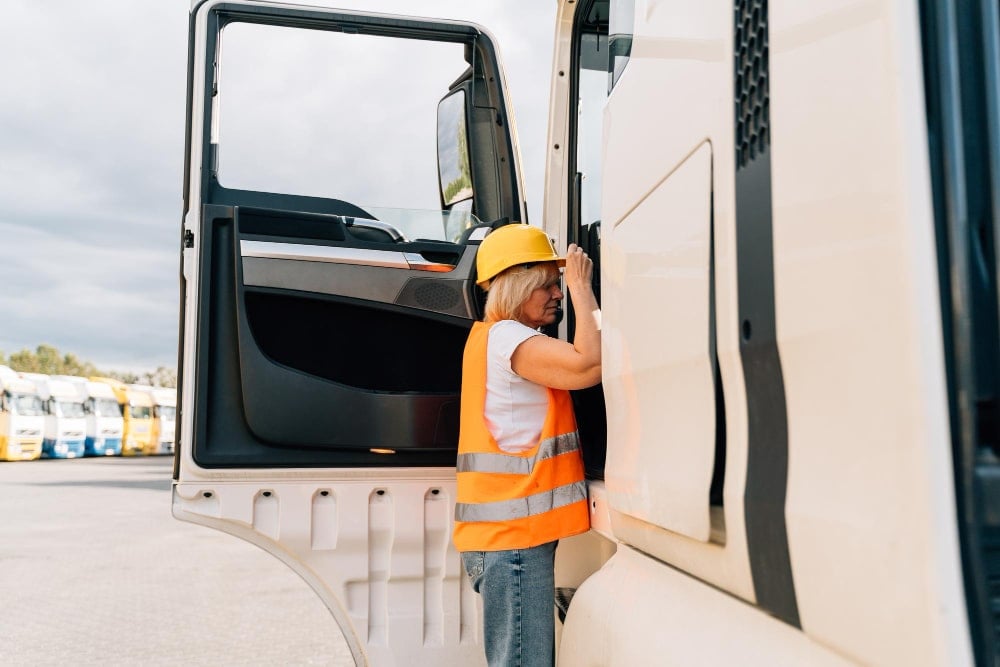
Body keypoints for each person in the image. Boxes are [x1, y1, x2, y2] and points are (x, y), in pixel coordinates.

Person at [453, 223, 601, 667]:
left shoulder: (493, 339)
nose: (556, 293)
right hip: (511, 545)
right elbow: (589, 365)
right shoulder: (507, 337)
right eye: (548, 284)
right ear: (518, 287)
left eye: (559, 283)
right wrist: (582, 287)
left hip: (506, 543)